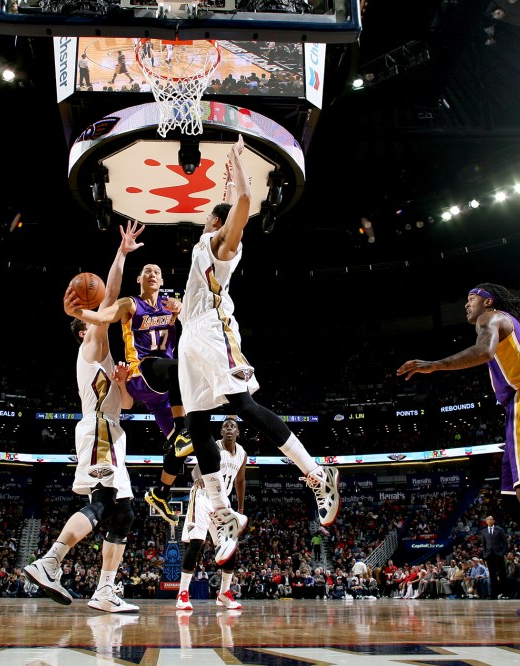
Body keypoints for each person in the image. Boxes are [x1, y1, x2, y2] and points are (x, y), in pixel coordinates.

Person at [175, 134, 339, 565]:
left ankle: (317, 475)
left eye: (214, 216)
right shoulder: (203, 247)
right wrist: (228, 180)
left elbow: (242, 206)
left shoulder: (222, 246)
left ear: (215, 223)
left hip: (213, 330)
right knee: (195, 425)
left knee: (242, 405)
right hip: (190, 335)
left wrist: (237, 167)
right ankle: (222, 513)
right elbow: (230, 202)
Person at [396, 284, 520, 619]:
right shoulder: (510, 324)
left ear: (487, 300)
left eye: (469, 300)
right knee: (514, 500)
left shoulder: (492, 317)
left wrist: (434, 365)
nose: (466, 307)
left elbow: (483, 352)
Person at [23, 220, 144, 614]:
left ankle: (104, 591)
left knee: (124, 512)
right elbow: (108, 299)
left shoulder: (107, 360)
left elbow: (125, 406)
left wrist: (124, 382)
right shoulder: (91, 342)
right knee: (106, 500)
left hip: (114, 431)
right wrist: (121, 255)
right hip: (99, 432)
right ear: (84, 330)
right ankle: (50, 561)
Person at [65, 255, 191, 524]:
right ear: (139, 279)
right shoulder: (130, 304)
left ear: (163, 280)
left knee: (186, 450)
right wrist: (77, 312)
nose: (152, 274)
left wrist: (182, 311)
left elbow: (195, 329)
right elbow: (104, 313)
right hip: (142, 374)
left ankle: (161, 493)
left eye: (157, 271)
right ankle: (182, 430)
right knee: (179, 368)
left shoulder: (171, 306)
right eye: (147, 270)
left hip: (161, 390)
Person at [175, 416, 247, 611]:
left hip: (222, 502)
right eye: (226, 426)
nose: (230, 429)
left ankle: (224, 593)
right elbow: (195, 470)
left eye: (233, 426)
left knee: (230, 546)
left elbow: (240, 481)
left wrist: (239, 510)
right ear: (221, 432)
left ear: (238, 432)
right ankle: (182, 593)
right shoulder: (213, 447)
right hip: (203, 496)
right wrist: (198, 478)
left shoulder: (242, 453)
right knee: (196, 542)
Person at [481, 515, 509, 599]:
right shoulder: (484, 531)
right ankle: (494, 594)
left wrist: (502, 552)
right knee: (492, 575)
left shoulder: (499, 530)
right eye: (488, 519)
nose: (489, 521)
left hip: (498, 554)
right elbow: (484, 544)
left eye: (491, 519)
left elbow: (505, 542)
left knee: (502, 574)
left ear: (494, 521)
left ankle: (505, 593)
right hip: (489, 555)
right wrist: (485, 554)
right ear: (486, 522)